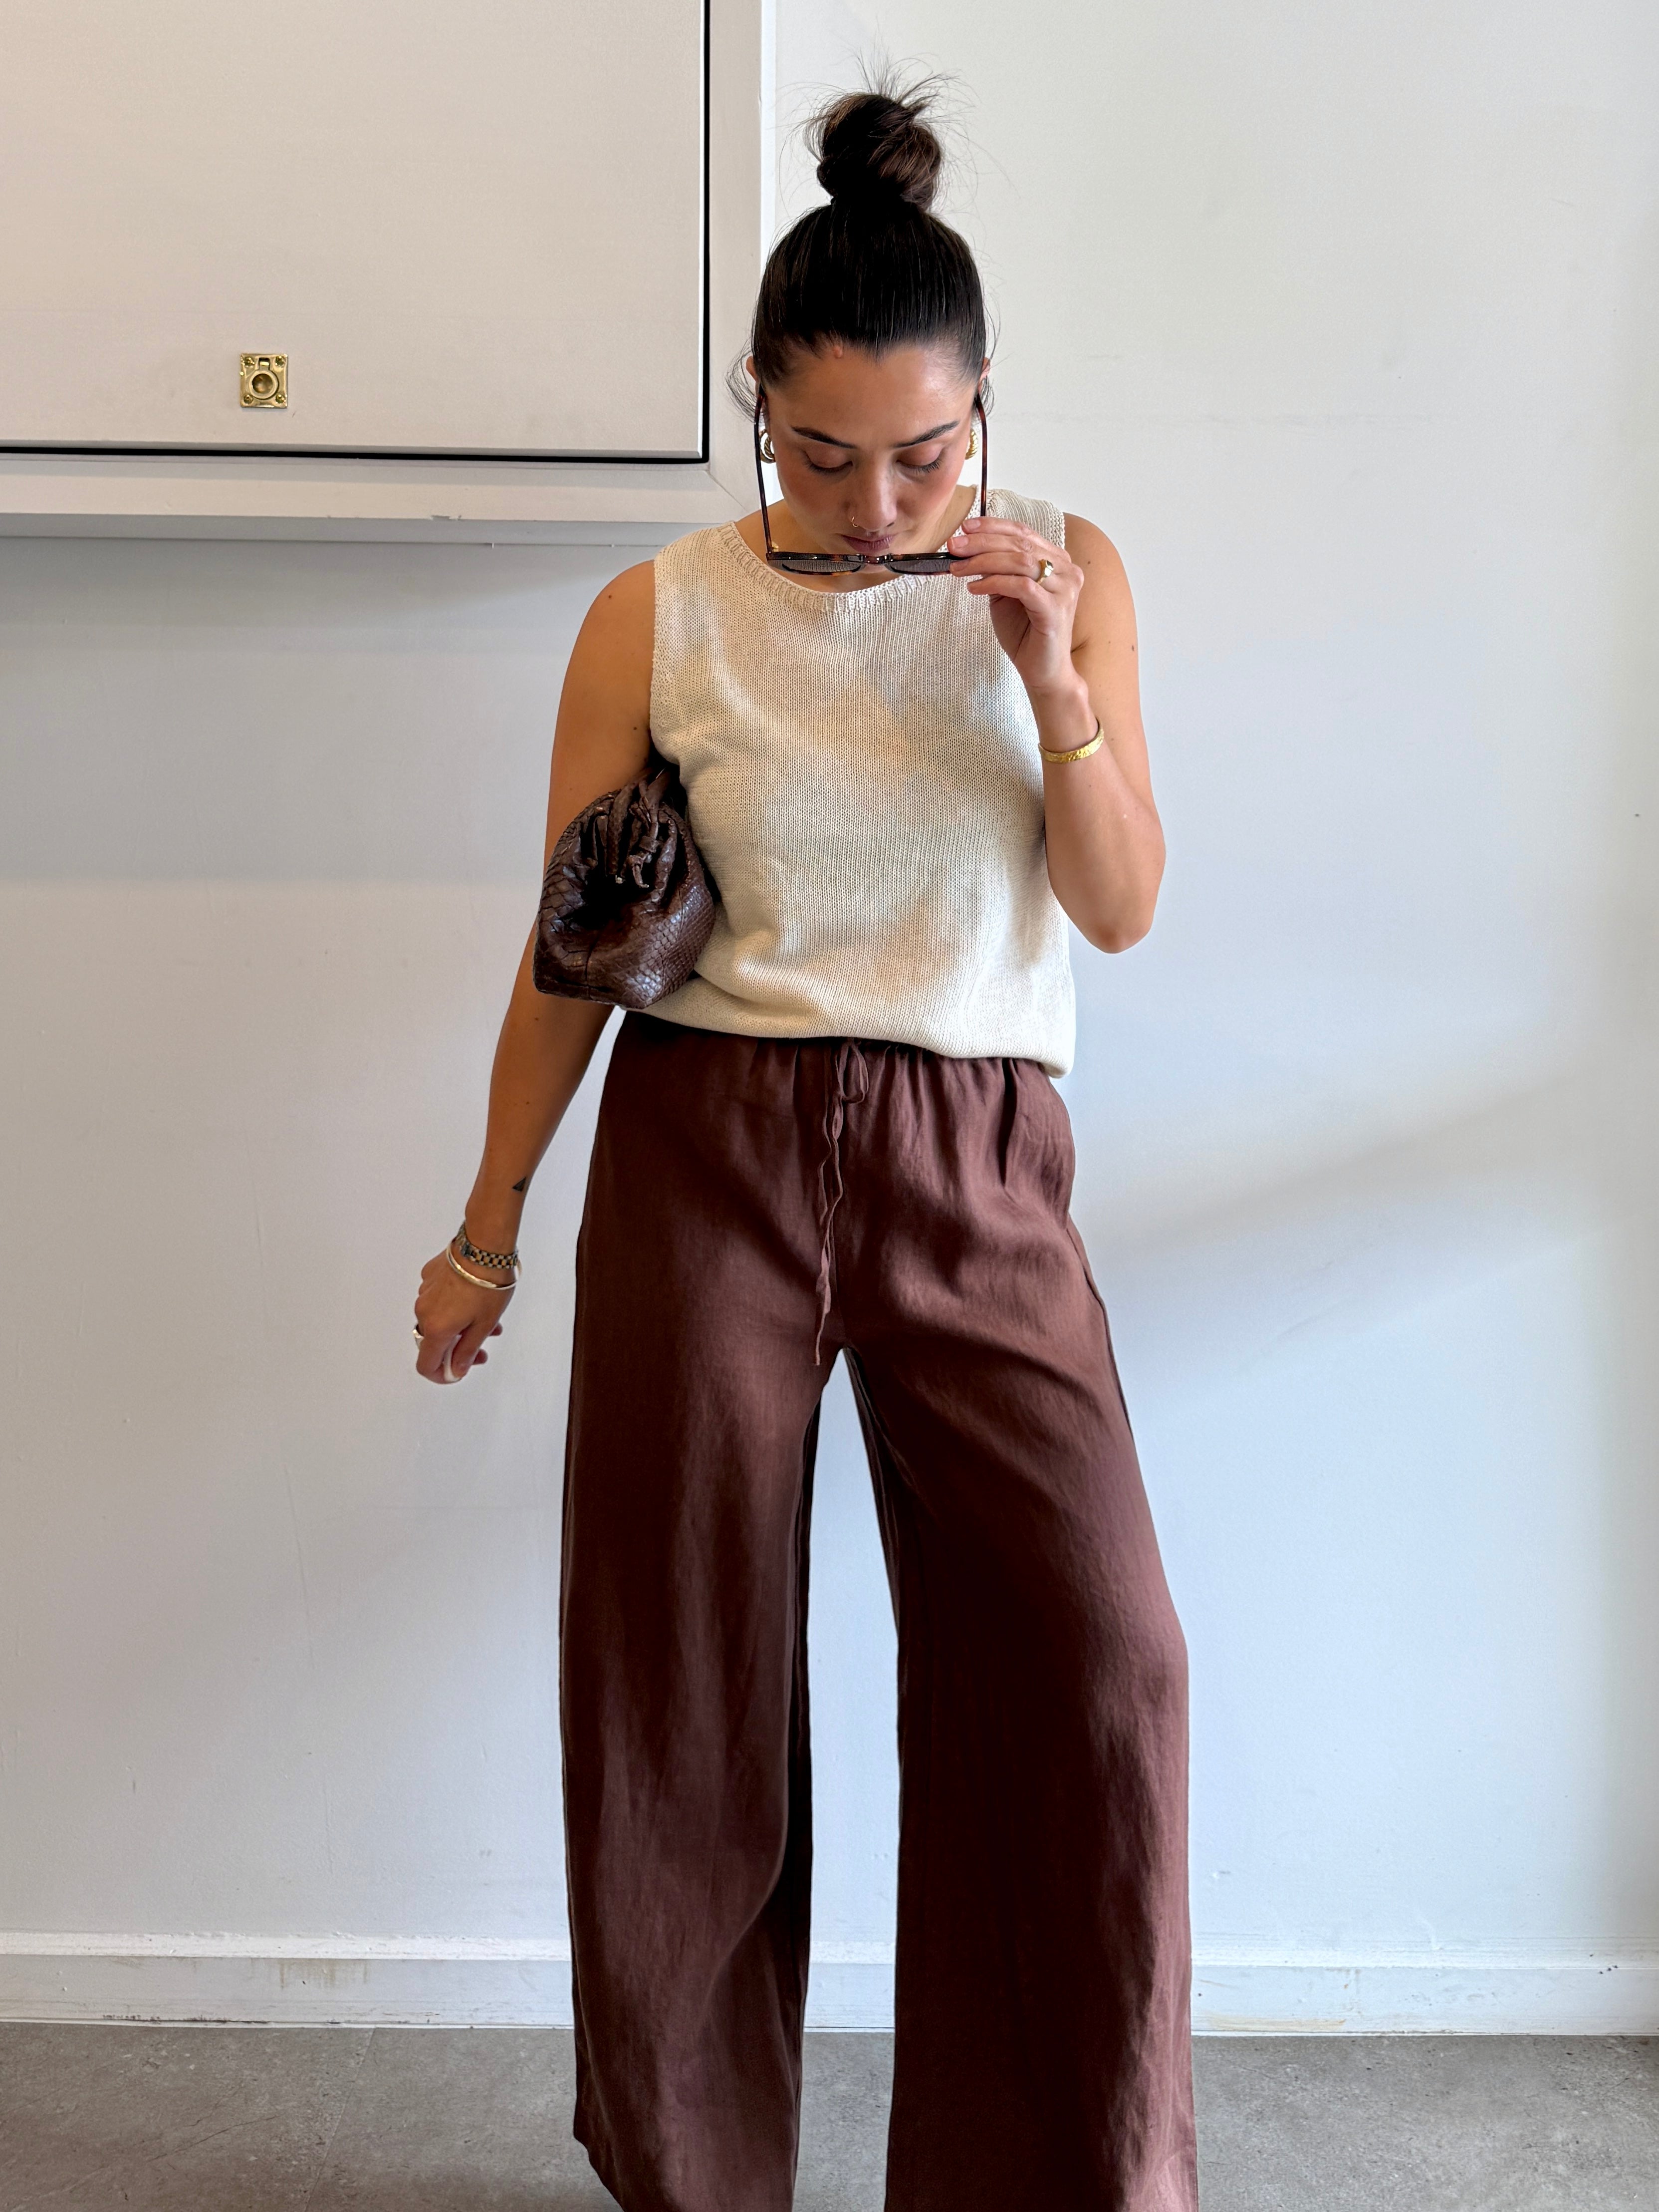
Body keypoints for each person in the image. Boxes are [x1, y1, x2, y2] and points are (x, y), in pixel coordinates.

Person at [413, 79, 1197, 2212]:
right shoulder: (655, 614)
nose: (874, 505)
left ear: (985, 411)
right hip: (713, 1152)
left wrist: (1053, 676)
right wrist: (484, 1226)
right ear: (756, 410)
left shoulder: (1068, 568)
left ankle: (1053, 2172)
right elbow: (574, 955)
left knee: (1098, 1656)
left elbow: (1115, 903)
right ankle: (693, 2175)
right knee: (679, 1690)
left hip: (978, 1160)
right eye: (821, 454)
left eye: (925, 452)